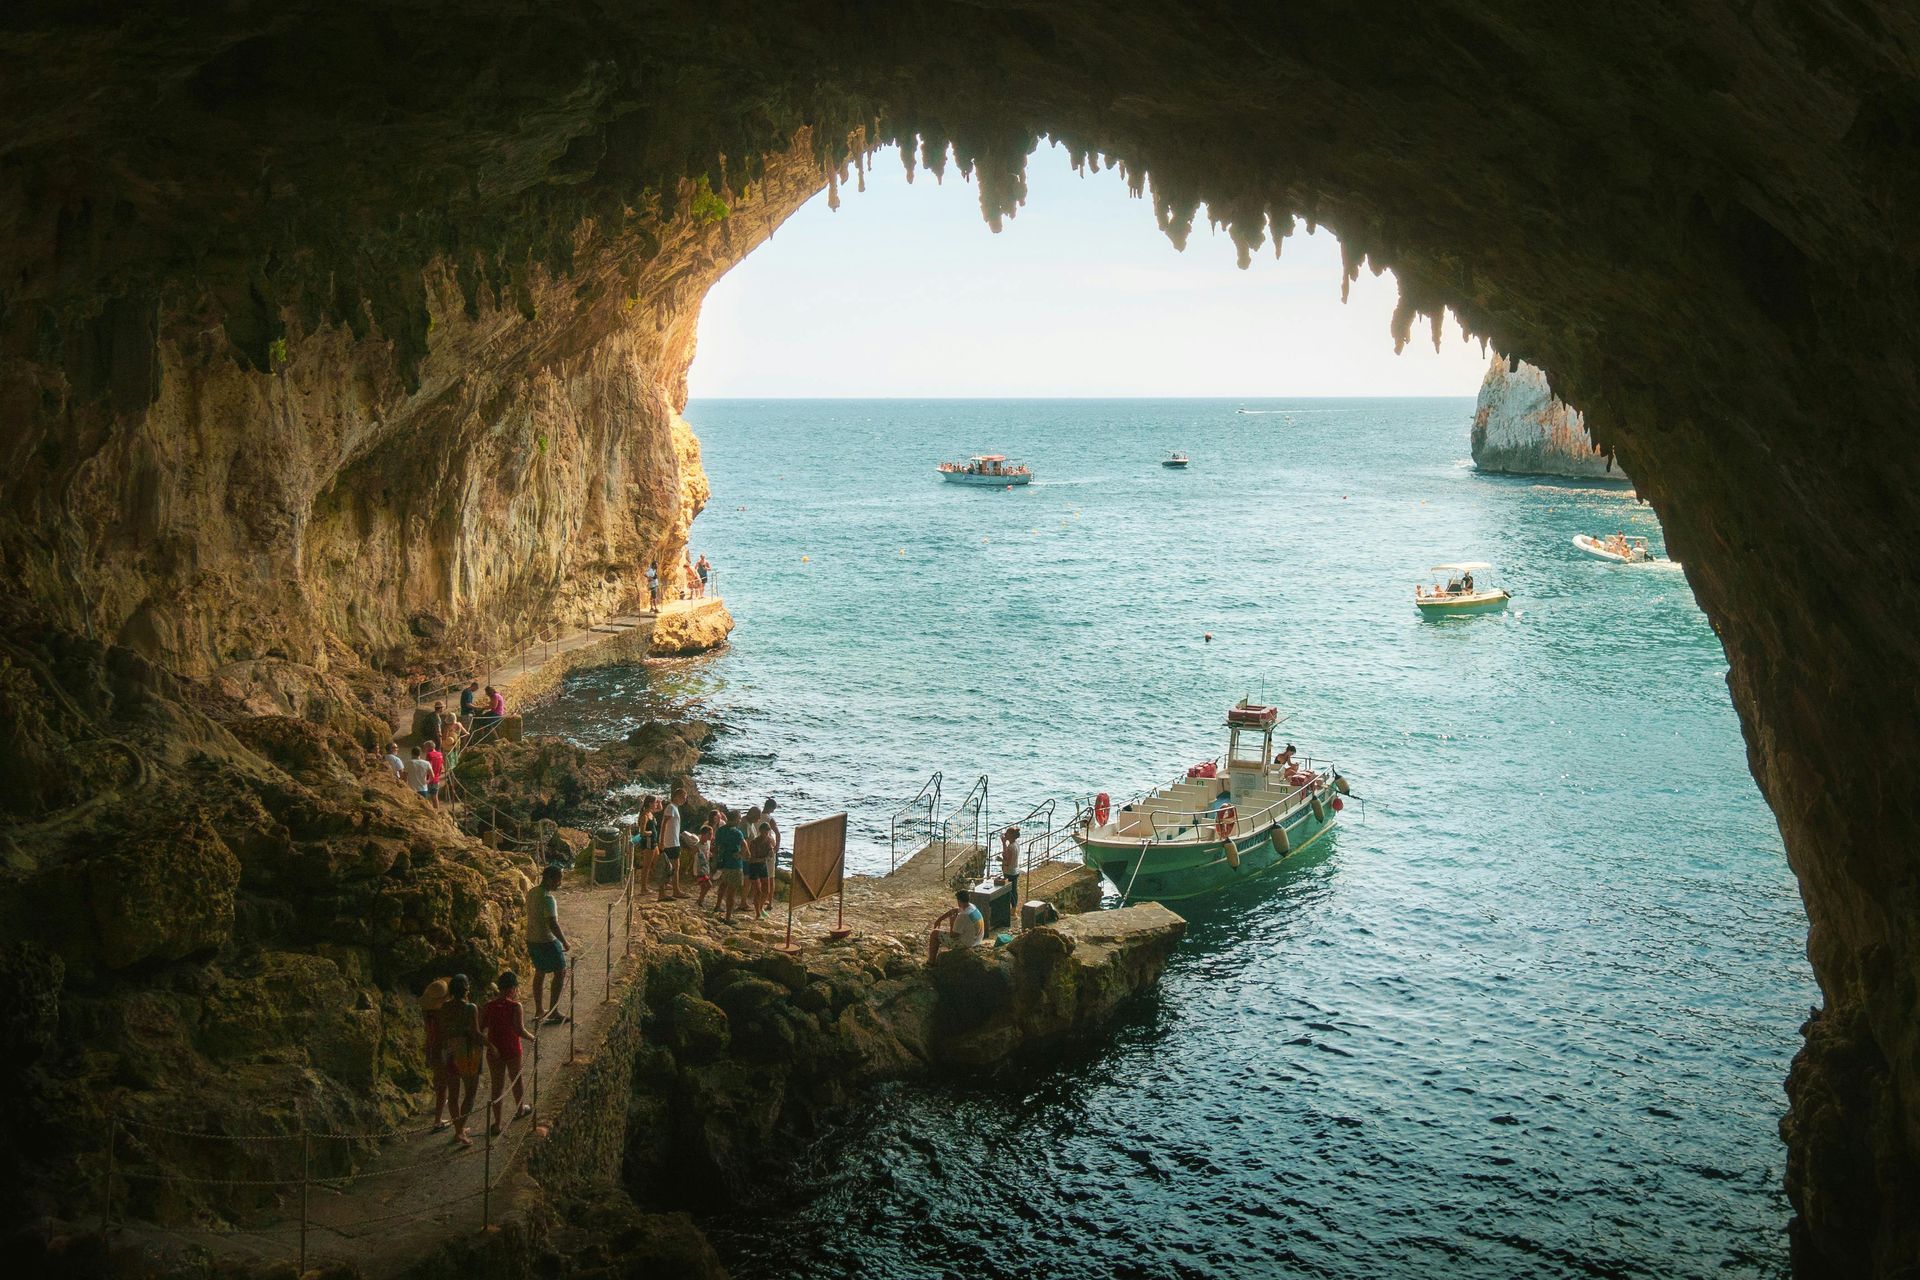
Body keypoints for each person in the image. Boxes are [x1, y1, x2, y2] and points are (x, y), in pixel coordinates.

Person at [481, 972, 534, 1135]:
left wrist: (490, 1045)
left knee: (497, 1087)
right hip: (511, 1048)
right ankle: (520, 1110)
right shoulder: (515, 1006)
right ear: (512, 989)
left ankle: (497, 1124)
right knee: (516, 1079)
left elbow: (480, 1030)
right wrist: (533, 1037)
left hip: (494, 1051)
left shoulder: (488, 1007)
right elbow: (519, 1030)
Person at [442, 974, 484, 1147]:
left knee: (453, 1094)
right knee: (470, 1093)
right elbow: (475, 1033)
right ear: (467, 989)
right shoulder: (470, 1007)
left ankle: (458, 1129)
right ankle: (460, 1131)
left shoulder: (445, 1007)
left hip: (450, 1050)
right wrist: (490, 1043)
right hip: (467, 1052)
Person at [525, 864, 569, 1025]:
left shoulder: (531, 893)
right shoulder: (548, 898)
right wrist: (564, 941)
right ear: (550, 879)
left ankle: (539, 1009)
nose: (560, 883)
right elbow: (552, 924)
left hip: (531, 939)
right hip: (546, 940)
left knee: (540, 971)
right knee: (560, 971)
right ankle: (554, 1011)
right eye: (558, 880)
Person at [419, 978, 452, 1132]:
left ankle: (438, 1113)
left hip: (432, 1049)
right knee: (443, 1086)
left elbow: (428, 1035)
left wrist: (427, 1054)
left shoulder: (428, 1014)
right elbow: (445, 1036)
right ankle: (438, 1120)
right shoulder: (443, 1014)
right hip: (442, 1050)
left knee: (439, 1083)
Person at [927, 889, 986, 962]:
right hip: (977, 940)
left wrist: (952, 922)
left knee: (934, 934)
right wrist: (940, 919)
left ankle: (931, 961)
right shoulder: (972, 907)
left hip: (967, 944)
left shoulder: (963, 916)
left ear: (959, 901)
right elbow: (955, 910)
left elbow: (953, 936)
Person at [712, 807, 747, 922]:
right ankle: (728, 917)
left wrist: (716, 861)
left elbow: (716, 847)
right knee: (732, 891)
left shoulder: (721, 830)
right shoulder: (737, 832)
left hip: (723, 862)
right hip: (734, 865)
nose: (740, 821)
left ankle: (718, 905)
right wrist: (741, 855)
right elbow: (744, 846)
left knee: (723, 884)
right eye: (739, 818)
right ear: (736, 819)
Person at [658, 788, 685, 899]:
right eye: (683, 797)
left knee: (674, 867)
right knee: (670, 867)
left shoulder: (674, 808)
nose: (684, 799)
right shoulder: (671, 808)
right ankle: (669, 892)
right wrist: (662, 841)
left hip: (673, 841)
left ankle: (674, 890)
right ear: (676, 796)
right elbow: (664, 824)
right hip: (670, 842)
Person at [746, 818, 775, 917]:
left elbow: (771, 849)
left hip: (763, 866)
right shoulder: (754, 842)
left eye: (767, 832)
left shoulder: (768, 840)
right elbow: (752, 859)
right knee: (758, 891)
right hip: (754, 867)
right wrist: (763, 859)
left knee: (766, 891)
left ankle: (760, 907)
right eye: (764, 832)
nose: (765, 834)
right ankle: (757, 913)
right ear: (760, 831)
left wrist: (771, 852)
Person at [693, 812, 718, 909]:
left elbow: (707, 852)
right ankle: (700, 900)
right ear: (703, 835)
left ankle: (700, 900)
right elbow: (694, 856)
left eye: (712, 834)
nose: (711, 836)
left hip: (705, 868)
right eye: (709, 834)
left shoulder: (707, 844)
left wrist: (710, 854)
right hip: (699, 870)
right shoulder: (697, 846)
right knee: (708, 885)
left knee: (705, 886)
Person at [999, 825, 1021, 899]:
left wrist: (1000, 859)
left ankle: (1012, 907)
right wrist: (1004, 843)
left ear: (1011, 835)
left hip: (1009, 872)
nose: (1005, 834)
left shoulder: (1011, 847)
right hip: (1015, 870)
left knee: (1010, 892)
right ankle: (1014, 907)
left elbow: (1007, 862)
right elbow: (1007, 855)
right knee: (1014, 891)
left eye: (1007, 833)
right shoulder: (1016, 844)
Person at [424, 738, 445, 809]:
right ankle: (437, 811)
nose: (425, 749)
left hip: (429, 779)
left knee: (425, 798)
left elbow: (427, 766)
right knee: (435, 797)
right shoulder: (440, 754)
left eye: (425, 747)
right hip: (436, 779)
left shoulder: (429, 755)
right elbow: (442, 768)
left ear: (429, 747)